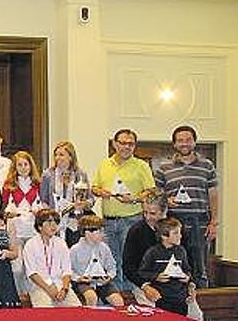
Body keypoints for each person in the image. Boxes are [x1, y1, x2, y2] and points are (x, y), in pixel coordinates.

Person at [154, 125, 219, 288]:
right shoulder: (164, 168)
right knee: (175, 264)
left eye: (188, 140)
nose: (184, 143)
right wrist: (166, 201)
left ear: (194, 142)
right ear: (174, 144)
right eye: (180, 140)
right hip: (174, 222)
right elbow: (157, 195)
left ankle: (200, 305)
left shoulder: (207, 165)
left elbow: (213, 194)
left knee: (200, 268)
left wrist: (214, 222)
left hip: (200, 223)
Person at [92, 128, 156, 292]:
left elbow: (151, 191)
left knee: (128, 259)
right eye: (123, 143)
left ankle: (129, 296)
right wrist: (100, 192)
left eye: (131, 144)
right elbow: (94, 187)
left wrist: (134, 198)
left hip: (131, 219)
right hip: (107, 221)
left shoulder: (141, 166)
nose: (127, 147)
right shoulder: (105, 164)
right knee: (111, 260)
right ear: (115, 144)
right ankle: (115, 295)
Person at [2, 150, 44, 294]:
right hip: (16, 231)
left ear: (31, 166)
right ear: (15, 167)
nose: (23, 167)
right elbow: (3, 209)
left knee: (32, 266)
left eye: (26, 164)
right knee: (17, 266)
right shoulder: (8, 186)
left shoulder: (38, 184)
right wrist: (9, 213)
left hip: (33, 231)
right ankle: (18, 295)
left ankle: (32, 295)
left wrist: (39, 211)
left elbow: (44, 204)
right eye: (19, 165)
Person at [22, 209, 81, 308]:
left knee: (77, 310)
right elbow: (31, 273)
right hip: (39, 286)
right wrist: (49, 289)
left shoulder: (61, 243)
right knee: (46, 312)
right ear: (40, 226)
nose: (54, 225)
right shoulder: (30, 244)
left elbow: (67, 270)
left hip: (61, 285)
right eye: (49, 222)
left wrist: (65, 289)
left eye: (56, 222)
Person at [137, 217, 195, 316]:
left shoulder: (181, 251)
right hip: (162, 297)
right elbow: (142, 272)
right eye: (176, 233)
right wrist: (156, 277)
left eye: (180, 233)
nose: (180, 236)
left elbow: (187, 269)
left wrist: (187, 277)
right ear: (164, 236)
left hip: (180, 297)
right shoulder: (153, 252)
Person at [40, 141, 94, 246]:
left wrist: (83, 204)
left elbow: (91, 199)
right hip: (54, 222)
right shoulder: (48, 175)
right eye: (56, 155)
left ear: (70, 156)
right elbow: (43, 199)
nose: (57, 158)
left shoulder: (80, 174)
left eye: (61, 155)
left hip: (74, 221)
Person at [69, 215, 124, 307]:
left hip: (101, 281)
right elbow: (69, 270)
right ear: (87, 232)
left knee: (118, 301)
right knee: (91, 297)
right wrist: (79, 278)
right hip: (83, 282)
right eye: (100, 231)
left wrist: (109, 277)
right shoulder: (75, 249)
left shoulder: (104, 247)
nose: (103, 234)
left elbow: (111, 266)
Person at [124, 195, 168, 305]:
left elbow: (189, 261)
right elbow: (128, 267)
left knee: (194, 315)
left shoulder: (176, 228)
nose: (147, 217)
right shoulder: (136, 231)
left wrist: (190, 285)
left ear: (164, 211)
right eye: (145, 213)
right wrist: (145, 287)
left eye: (152, 213)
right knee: (152, 312)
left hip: (174, 284)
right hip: (144, 283)